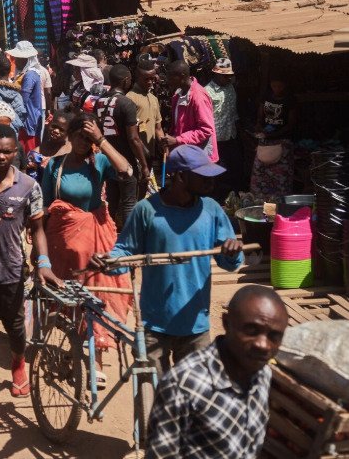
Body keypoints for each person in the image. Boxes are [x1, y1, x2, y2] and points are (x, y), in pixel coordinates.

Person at [92, 144, 244, 377]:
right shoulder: (147, 210)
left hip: (196, 325)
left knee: (194, 399)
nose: (211, 182)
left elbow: (230, 263)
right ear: (181, 176)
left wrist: (231, 253)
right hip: (155, 324)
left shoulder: (212, 210)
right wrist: (109, 261)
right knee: (155, 402)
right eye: (203, 176)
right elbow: (125, 251)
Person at [0, 125, 62, 425]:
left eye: (8, 151)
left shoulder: (29, 186)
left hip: (12, 271)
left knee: (16, 327)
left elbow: (37, 230)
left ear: (16, 152)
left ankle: (18, 363)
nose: (1, 156)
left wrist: (43, 262)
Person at [145, 285, 288, 459]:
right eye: (251, 330)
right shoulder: (183, 384)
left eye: (274, 336)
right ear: (226, 323)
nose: (263, 345)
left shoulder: (263, 374)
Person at [41, 113, 134, 378]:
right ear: (69, 137)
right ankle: (72, 350)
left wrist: (101, 139)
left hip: (95, 242)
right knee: (69, 299)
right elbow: (45, 208)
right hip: (63, 246)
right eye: (80, 136)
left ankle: (97, 361)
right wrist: (41, 250)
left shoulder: (100, 161)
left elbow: (126, 171)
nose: (84, 142)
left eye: (88, 137)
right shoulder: (53, 167)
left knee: (97, 297)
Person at [95, 64, 149, 229]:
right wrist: (144, 165)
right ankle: (128, 239)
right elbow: (133, 138)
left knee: (112, 201)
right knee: (128, 202)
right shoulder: (127, 103)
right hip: (126, 161)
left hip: (106, 160)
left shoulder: (99, 102)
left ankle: (108, 235)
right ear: (126, 80)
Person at [251, 73, 297, 200]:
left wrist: (274, 134)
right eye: (274, 85)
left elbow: (291, 124)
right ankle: (260, 200)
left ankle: (280, 201)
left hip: (282, 142)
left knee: (281, 175)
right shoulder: (266, 97)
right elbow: (260, 116)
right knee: (260, 173)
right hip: (265, 141)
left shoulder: (290, 100)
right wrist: (259, 127)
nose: (276, 88)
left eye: (279, 86)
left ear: (285, 86)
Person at [165, 61, 218, 163]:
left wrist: (178, 140)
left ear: (182, 76)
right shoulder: (178, 95)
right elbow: (177, 125)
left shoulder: (198, 96)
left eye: (171, 77)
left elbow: (206, 130)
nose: (168, 80)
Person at [127, 55, 165, 197]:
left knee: (145, 195)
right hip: (136, 158)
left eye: (152, 78)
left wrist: (163, 142)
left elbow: (158, 128)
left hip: (150, 156)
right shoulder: (130, 98)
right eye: (146, 79)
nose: (150, 82)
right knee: (136, 194)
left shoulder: (154, 99)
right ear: (137, 76)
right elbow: (131, 134)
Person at [205, 58, 241, 200]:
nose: (228, 78)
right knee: (218, 171)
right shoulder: (207, 92)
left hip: (231, 135)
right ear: (216, 74)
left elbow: (233, 111)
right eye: (225, 76)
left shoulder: (230, 87)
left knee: (233, 169)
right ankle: (217, 199)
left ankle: (231, 198)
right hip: (216, 139)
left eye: (229, 76)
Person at [7, 41, 44, 156]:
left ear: (26, 59)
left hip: (28, 119)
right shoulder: (27, 74)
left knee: (29, 153)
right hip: (28, 118)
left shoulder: (30, 75)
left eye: (18, 58)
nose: (15, 61)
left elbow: (23, 99)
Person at [25, 111, 72, 182]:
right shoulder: (35, 154)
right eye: (54, 126)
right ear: (49, 124)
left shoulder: (70, 152)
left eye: (61, 130)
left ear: (68, 133)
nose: (56, 131)